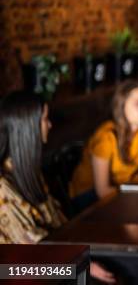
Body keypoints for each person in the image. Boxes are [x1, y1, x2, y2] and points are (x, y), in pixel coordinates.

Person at [0, 91, 115, 283]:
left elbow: (59, 226)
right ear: (27, 128)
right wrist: (80, 266)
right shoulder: (3, 187)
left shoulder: (29, 172)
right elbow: (27, 254)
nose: (50, 125)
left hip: (47, 263)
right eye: (45, 119)